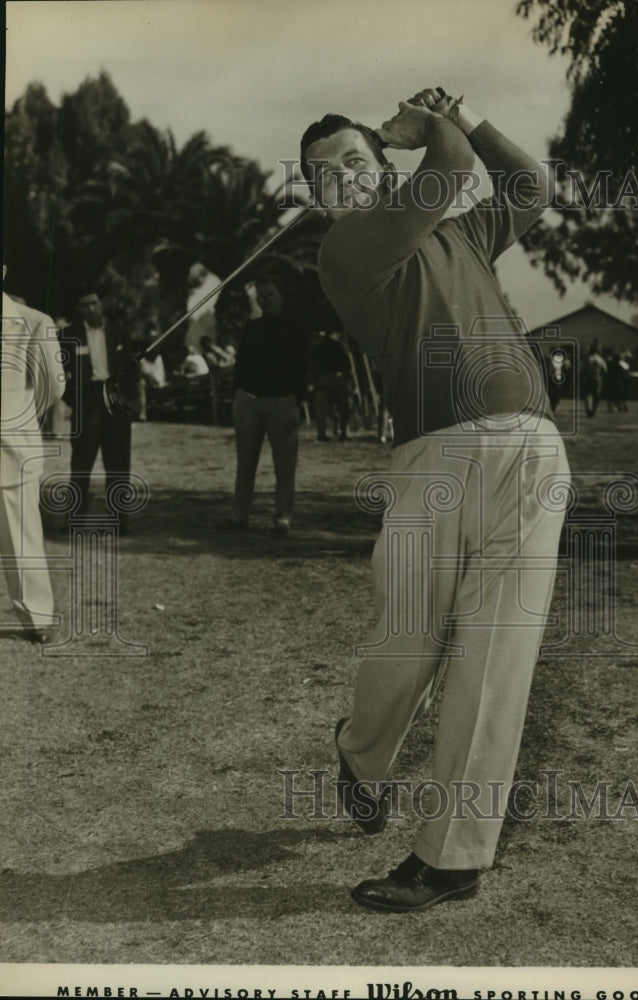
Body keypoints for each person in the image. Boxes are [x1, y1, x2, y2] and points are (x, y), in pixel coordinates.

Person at [300, 86, 569, 911]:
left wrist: (469, 113)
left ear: (382, 172)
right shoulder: (346, 250)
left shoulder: (462, 234)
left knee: (496, 661)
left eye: (353, 161)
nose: (340, 180)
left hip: (530, 449)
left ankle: (453, 856)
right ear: (317, 201)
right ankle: (364, 751)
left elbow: (530, 188)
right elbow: (450, 165)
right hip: (433, 456)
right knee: (407, 637)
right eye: (320, 177)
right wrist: (427, 129)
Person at [1, 271, 66, 643]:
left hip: (11, 449)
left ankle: (37, 618)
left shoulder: (34, 322)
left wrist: (17, 419)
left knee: (21, 540)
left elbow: (53, 386)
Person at [225, 273, 309, 535]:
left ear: (281, 295)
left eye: (271, 294)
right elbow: (240, 366)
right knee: (245, 463)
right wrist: (237, 396)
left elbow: (302, 367)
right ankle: (240, 516)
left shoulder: (295, 328)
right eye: (261, 296)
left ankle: (283, 517)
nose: (266, 300)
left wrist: (296, 398)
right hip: (249, 401)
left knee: (284, 465)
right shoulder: (251, 329)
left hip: (281, 402)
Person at [61, 285, 140, 533]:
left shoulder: (119, 332)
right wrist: (75, 400)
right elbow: (59, 375)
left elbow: (133, 369)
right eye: (85, 305)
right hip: (87, 401)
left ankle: (120, 519)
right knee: (81, 463)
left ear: (101, 304)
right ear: (79, 309)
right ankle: (75, 517)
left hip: (115, 398)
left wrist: (129, 402)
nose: (91, 308)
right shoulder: (68, 336)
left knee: (118, 463)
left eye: (94, 303)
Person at [311, 330, 351, 441]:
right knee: (342, 406)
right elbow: (346, 364)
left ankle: (321, 432)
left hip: (322, 379)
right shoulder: (339, 346)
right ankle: (343, 432)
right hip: (337, 378)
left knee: (321, 409)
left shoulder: (317, 345)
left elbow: (312, 363)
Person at [581, 340, 607, 418]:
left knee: (587, 395)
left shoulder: (586, 359)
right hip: (597, 379)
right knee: (596, 396)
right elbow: (605, 370)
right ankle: (593, 410)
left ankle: (589, 409)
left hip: (588, 379)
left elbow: (582, 370)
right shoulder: (600, 359)